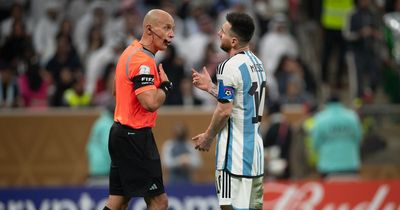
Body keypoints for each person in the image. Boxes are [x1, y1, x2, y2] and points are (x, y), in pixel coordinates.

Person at [192, 12, 265, 210]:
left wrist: (208, 136)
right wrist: (211, 88)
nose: (218, 34)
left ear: (233, 41)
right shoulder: (257, 64)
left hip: (233, 159)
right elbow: (240, 100)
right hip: (255, 156)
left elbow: (224, 111)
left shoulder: (228, 66)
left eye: (222, 32)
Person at [103, 9, 174, 210]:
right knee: (159, 202)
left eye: (173, 29)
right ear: (149, 29)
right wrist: (165, 87)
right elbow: (150, 102)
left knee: (118, 201)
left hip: (120, 133)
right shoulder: (142, 60)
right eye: (167, 27)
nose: (172, 34)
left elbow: (116, 90)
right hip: (135, 137)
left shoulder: (129, 52)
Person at [311, 94, 362, 180]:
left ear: (326, 104)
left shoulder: (320, 118)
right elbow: (358, 138)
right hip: (350, 162)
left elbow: (316, 142)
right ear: (341, 103)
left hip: (328, 165)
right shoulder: (352, 116)